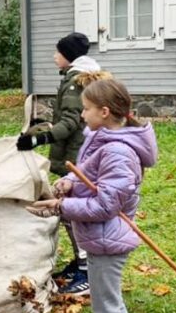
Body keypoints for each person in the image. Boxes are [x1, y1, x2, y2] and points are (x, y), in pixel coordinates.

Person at [27, 78, 157, 313]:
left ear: (104, 111)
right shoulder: (103, 138)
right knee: (113, 306)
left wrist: (61, 206)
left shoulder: (118, 152)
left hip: (106, 241)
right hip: (104, 238)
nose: (81, 115)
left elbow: (104, 206)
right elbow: (87, 170)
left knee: (107, 311)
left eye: (85, 109)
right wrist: (69, 183)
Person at [17, 31, 110, 295]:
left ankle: (86, 270)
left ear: (68, 55)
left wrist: (40, 139)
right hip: (81, 153)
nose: (54, 56)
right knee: (71, 211)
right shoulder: (81, 77)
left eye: (57, 52)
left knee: (72, 212)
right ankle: (81, 261)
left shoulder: (74, 82)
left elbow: (70, 123)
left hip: (77, 156)